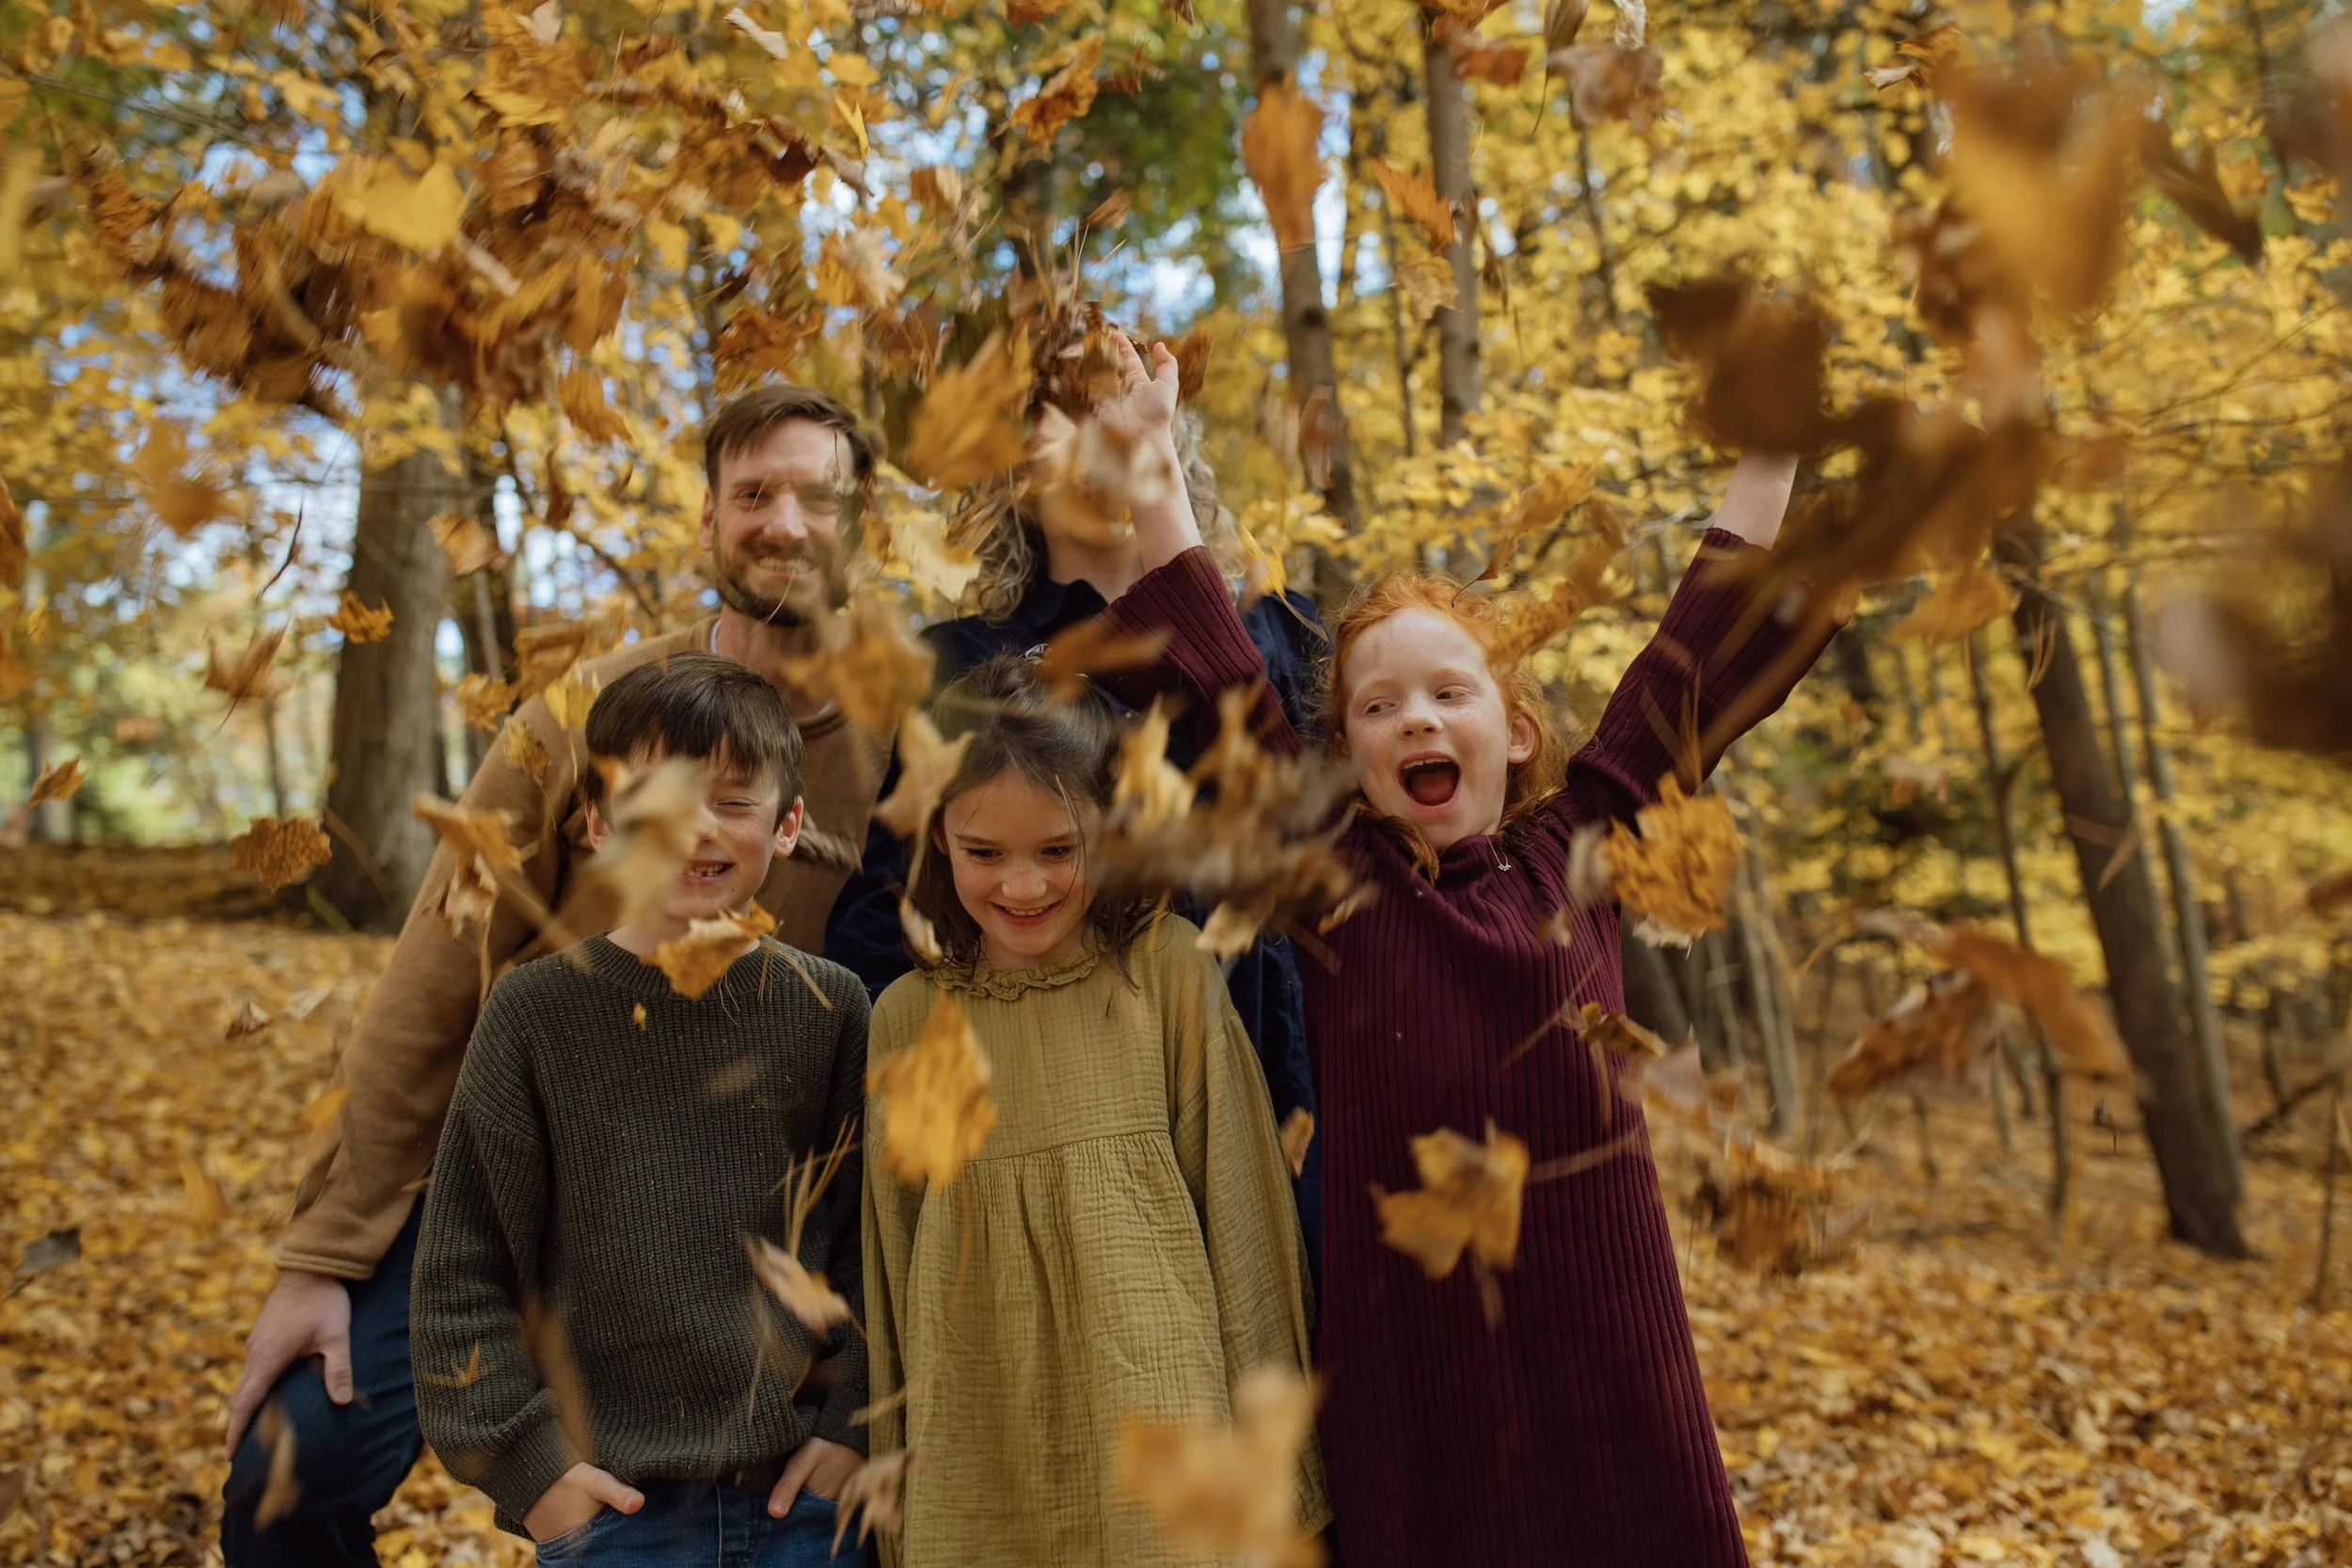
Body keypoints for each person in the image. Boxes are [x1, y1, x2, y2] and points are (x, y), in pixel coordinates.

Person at [1089, 336, 1830, 1566]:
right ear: (1349, 757)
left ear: (1515, 725)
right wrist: (1149, 456)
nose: (1415, 716)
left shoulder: (1587, 836)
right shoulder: (1333, 878)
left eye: (1449, 692)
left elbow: (1695, 644)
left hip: (1605, 1331)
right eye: (1378, 706)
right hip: (1415, 1357)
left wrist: (1771, 447)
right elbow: (1223, 683)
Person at [220, 387, 892, 1567]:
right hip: (534, 1131)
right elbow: (431, 983)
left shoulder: (905, 748)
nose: (783, 520)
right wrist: (325, 1254)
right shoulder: (578, 717)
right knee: (294, 1470)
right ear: (708, 520)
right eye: (753, 495)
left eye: (816, 495)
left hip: (731, 1184)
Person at [825, 400, 1330, 1285]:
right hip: (1050, 1115)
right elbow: (885, 916)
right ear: (1018, 464)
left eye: (1121, 416)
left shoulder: (1277, 628)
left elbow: (1342, 855)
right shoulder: (955, 660)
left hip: (1274, 1063)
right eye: (1069, 421)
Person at [861, 656, 1326, 1568]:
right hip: (978, 1446)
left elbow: (1247, 1228)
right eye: (984, 852)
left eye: (1058, 849)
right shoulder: (908, 1021)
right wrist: (897, 1498)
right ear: (936, 839)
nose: (1022, 886)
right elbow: (892, 1262)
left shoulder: (1169, 972)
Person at [410, 655, 869, 1563]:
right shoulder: (535, 1015)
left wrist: (853, 1422)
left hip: (800, 1508)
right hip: (614, 1510)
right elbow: (462, 1271)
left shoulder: (832, 1009)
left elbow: (871, 1248)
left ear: (788, 827)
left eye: (734, 801)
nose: (693, 826)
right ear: (594, 821)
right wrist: (532, 1472)